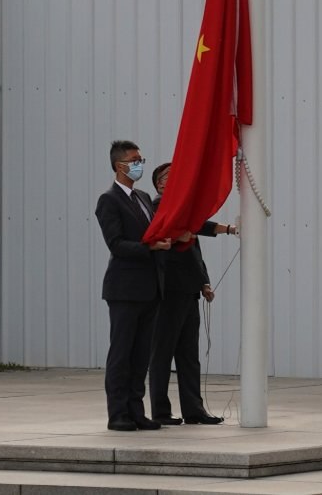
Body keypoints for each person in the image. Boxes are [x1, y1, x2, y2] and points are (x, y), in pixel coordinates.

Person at [146, 162, 236, 426]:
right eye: (171, 176)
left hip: (188, 291)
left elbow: (194, 249)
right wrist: (220, 229)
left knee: (188, 355)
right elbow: (183, 233)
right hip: (168, 291)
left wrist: (204, 282)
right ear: (161, 183)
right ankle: (161, 411)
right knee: (162, 353)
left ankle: (194, 410)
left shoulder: (183, 209)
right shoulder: (159, 205)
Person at [94, 140, 173, 432]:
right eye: (134, 160)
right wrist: (149, 247)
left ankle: (137, 411)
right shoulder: (109, 200)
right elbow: (116, 244)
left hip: (150, 287)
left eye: (141, 158)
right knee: (122, 353)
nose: (140, 164)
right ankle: (118, 413)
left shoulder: (141, 196)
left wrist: (165, 241)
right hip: (125, 289)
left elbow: (152, 232)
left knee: (141, 355)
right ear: (119, 166)